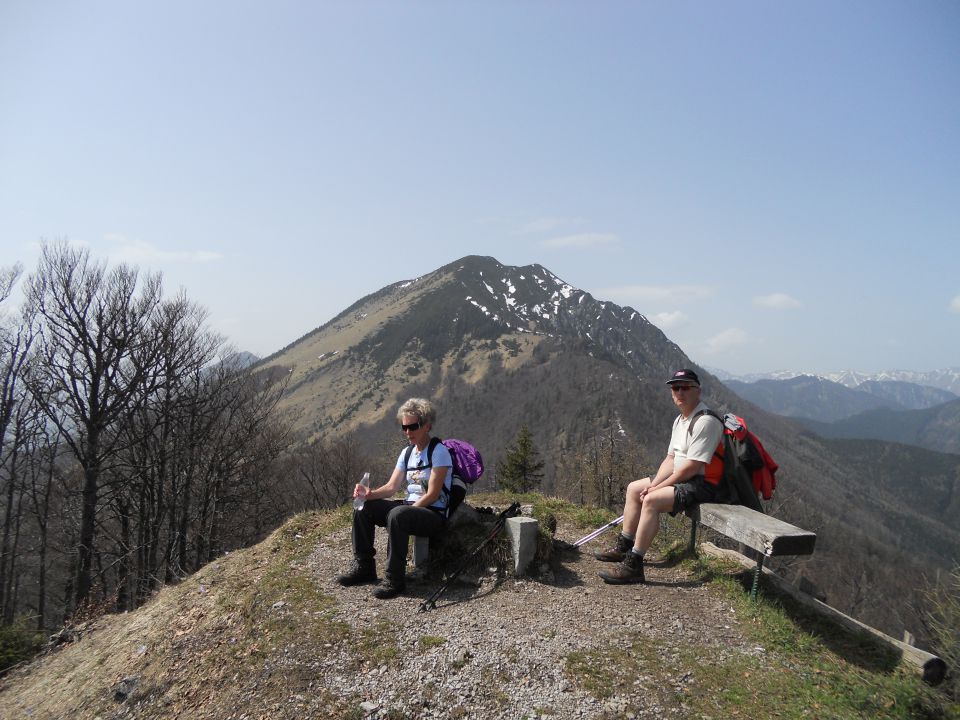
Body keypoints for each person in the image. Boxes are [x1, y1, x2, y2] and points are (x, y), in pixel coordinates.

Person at [596, 368, 726, 584]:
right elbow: (670, 460)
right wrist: (654, 483)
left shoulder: (706, 422)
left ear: (698, 391)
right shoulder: (680, 420)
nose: (680, 392)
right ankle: (625, 545)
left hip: (704, 484)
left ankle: (634, 565)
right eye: (675, 388)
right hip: (683, 477)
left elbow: (692, 467)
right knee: (635, 488)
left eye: (686, 387)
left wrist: (655, 490)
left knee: (651, 500)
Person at [336, 397, 453, 599]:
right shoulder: (407, 453)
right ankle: (364, 566)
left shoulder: (439, 452)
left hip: (433, 513)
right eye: (404, 427)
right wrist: (369, 495)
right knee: (363, 508)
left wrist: (410, 509)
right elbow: (391, 487)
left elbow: (433, 494)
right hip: (410, 508)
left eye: (412, 426)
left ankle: (395, 579)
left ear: (427, 425)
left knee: (398, 515)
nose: (407, 432)